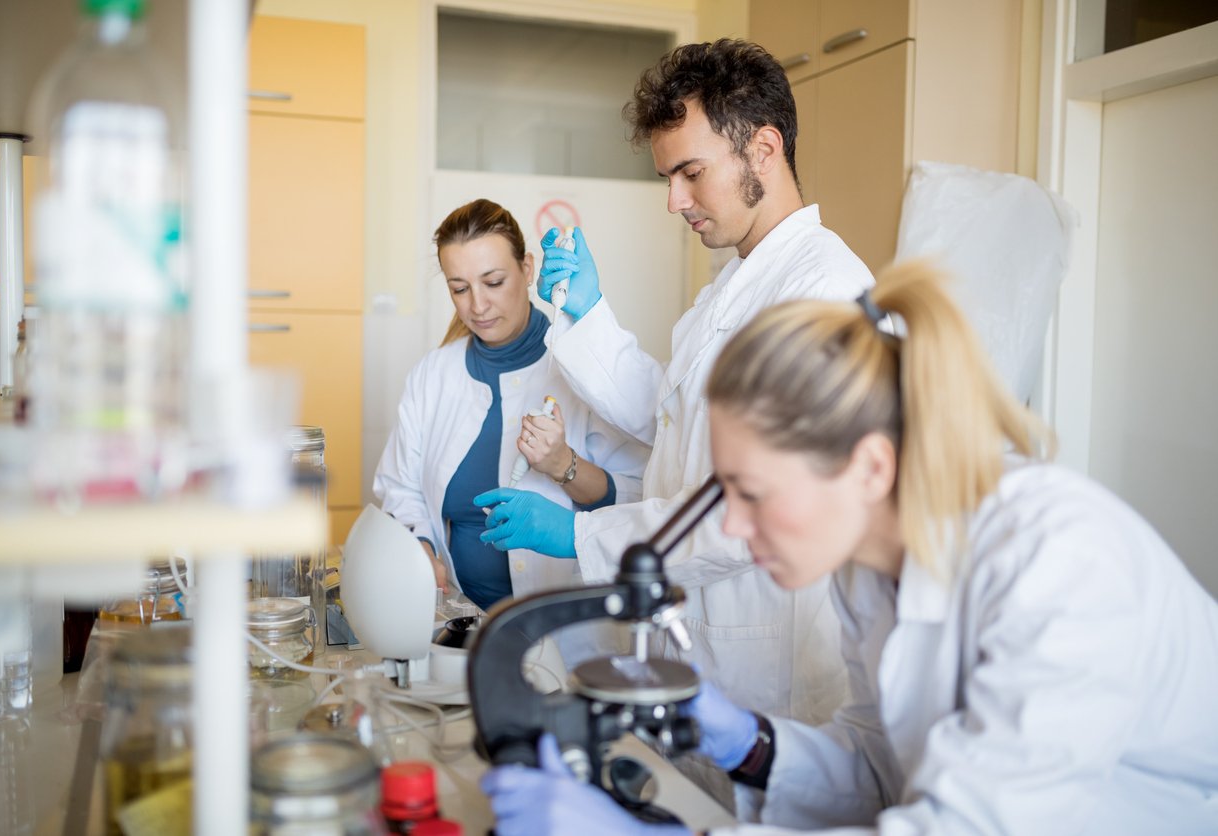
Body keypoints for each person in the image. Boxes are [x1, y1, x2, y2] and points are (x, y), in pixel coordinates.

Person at [480, 261, 1218, 835]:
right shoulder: (869, 574)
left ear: (869, 466)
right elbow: (882, 772)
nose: (732, 527)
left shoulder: (1060, 565)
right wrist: (746, 742)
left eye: (752, 492)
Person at [474, 39, 872, 727]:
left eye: (690, 172)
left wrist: (583, 537)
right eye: (667, 178)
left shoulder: (823, 295)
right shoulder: (735, 287)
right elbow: (671, 420)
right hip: (699, 634)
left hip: (767, 661)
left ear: (764, 149)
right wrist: (588, 315)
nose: (674, 201)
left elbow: (756, 514)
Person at [373, 198, 648, 664]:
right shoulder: (433, 375)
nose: (477, 306)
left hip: (566, 639)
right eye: (459, 288)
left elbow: (641, 499)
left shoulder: (584, 371)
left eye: (494, 282)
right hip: (460, 632)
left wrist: (564, 466)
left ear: (527, 267)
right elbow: (400, 488)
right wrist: (419, 545)